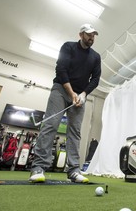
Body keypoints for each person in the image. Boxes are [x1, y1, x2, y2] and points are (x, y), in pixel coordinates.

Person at [29, 24, 101, 183]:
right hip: (61, 89)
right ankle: (38, 167)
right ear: (81, 34)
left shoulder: (95, 57)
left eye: (93, 35)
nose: (91, 38)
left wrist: (83, 94)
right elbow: (61, 70)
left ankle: (74, 170)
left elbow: (95, 79)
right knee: (51, 125)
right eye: (89, 34)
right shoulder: (68, 47)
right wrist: (71, 93)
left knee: (75, 131)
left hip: (80, 95)